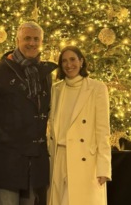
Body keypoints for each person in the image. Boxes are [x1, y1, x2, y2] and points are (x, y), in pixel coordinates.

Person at [0, 21, 57, 205]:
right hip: (6, 161)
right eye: (27, 38)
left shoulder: (44, 74)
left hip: (34, 162)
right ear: (17, 40)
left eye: (36, 39)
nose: (32, 43)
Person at [47, 46, 111, 205]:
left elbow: (103, 130)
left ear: (81, 61)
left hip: (85, 161)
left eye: (73, 59)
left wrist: (103, 167)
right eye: (64, 61)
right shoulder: (56, 90)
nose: (69, 65)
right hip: (58, 158)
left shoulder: (97, 88)